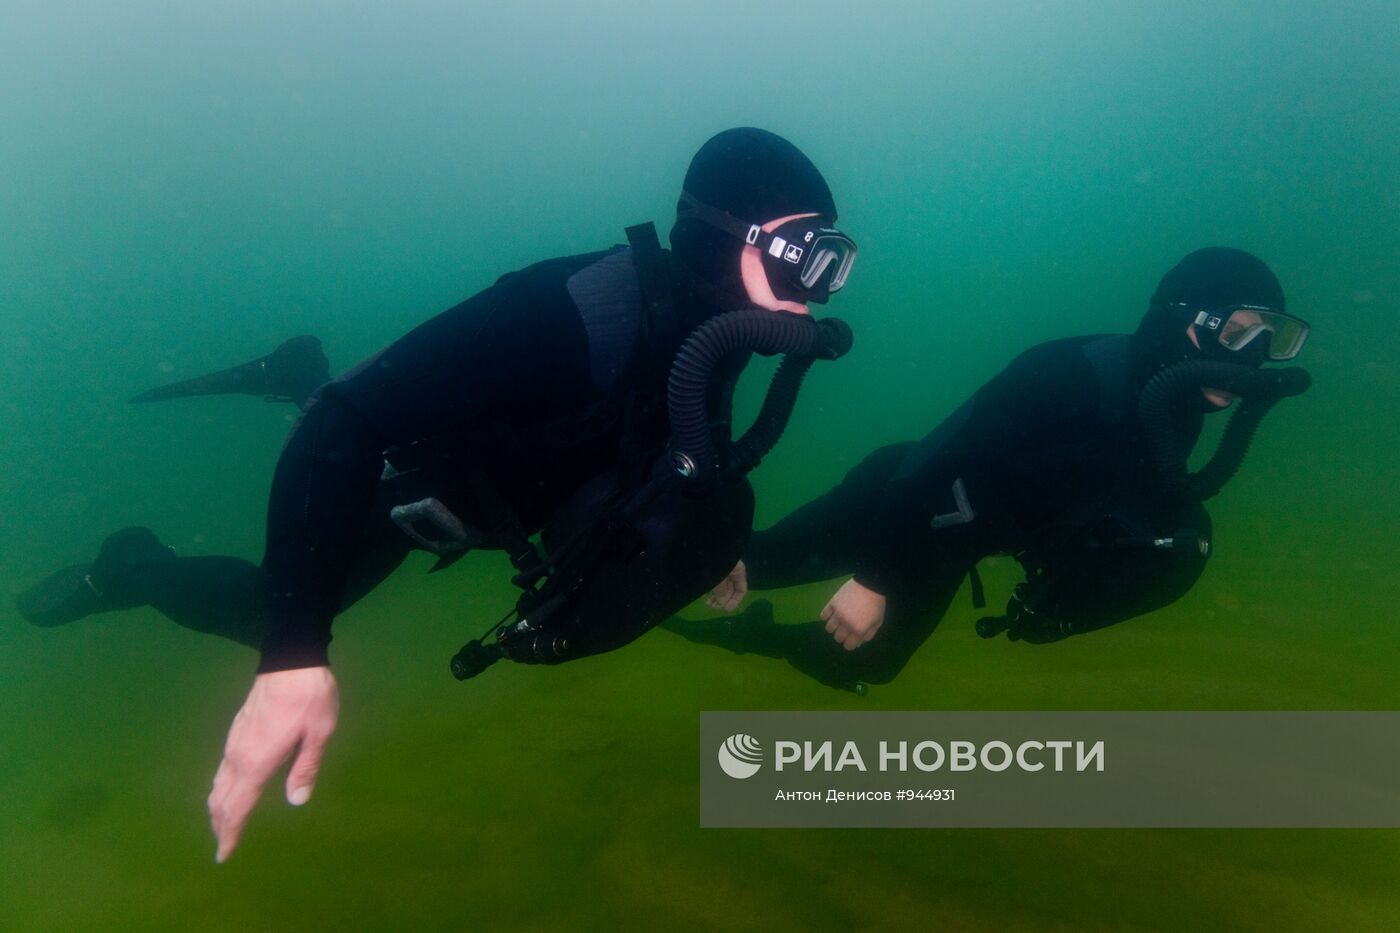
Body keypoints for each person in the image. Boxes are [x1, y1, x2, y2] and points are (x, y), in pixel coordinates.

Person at [15, 128, 859, 860]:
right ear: (721, 238)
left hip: (512, 499)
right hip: (423, 483)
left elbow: (679, 427)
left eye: (833, 258)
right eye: (801, 251)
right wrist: (293, 656)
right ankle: (131, 563)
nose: (816, 284)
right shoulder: (571, 310)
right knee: (263, 607)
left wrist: (700, 536)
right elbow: (348, 423)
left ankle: (295, 372)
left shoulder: (719, 322)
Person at [669, 247, 1311, 693]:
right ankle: (669, 584)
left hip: (982, 533)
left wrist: (1067, 595)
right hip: (914, 498)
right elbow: (936, 459)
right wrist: (874, 577)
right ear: (1185, 321)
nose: (1253, 357)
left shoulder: (1180, 407)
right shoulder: (1073, 371)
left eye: (1273, 340)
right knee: (757, 566)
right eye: (1238, 332)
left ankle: (755, 626)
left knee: (867, 663)